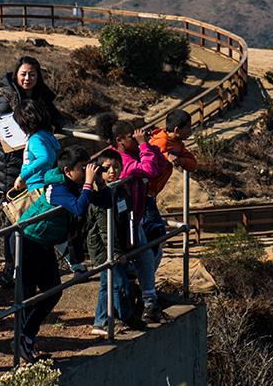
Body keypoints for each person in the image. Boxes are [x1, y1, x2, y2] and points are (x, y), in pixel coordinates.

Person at [16, 147, 99, 360]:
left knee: (53, 290)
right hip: (28, 241)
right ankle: (23, 341)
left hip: (44, 243)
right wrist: (89, 183)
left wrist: (99, 182)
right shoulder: (57, 188)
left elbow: (102, 202)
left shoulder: (73, 184)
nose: (86, 171)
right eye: (83, 168)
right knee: (25, 296)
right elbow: (79, 208)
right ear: (68, 170)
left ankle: (27, 336)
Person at [96, 113, 168, 322]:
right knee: (128, 263)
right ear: (120, 140)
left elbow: (161, 164)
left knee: (145, 256)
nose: (136, 139)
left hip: (133, 218)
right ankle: (135, 307)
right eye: (131, 137)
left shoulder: (132, 153)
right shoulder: (119, 161)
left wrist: (146, 146)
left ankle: (146, 301)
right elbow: (149, 170)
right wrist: (144, 145)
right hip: (121, 220)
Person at [83, 148, 145, 335]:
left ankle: (100, 321)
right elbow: (104, 229)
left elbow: (124, 218)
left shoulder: (120, 189)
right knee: (120, 284)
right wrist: (116, 253)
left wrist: (126, 241)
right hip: (104, 247)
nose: (112, 172)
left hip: (115, 244)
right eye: (107, 168)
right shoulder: (103, 196)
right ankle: (127, 317)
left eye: (116, 167)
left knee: (107, 283)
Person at [0, 56, 64, 194]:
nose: (27, 78)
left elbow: (57, 118)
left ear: (38, 76)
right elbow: (1, 127)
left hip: (32, 157)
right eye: (23, 74)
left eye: (32, 74)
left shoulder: (41, 97)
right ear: (16, 75)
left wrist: (53, 126)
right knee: (15, 200)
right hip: (11, 161)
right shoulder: (7, 98)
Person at [11, 98, 61, 194]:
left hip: (38, 185)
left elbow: (44, 158)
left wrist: (22, 176)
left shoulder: (35, 139)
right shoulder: (48, 135)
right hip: (46, 182)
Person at [148, 108, 198, 198]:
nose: (190, 130)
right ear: (177, 130)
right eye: (188, 127)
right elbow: (148, 161)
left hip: (153, 193)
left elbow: (193, 164)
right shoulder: (160, 142)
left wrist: (180, 161)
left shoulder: (177, 144)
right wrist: (166, 156)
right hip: (145, 191)